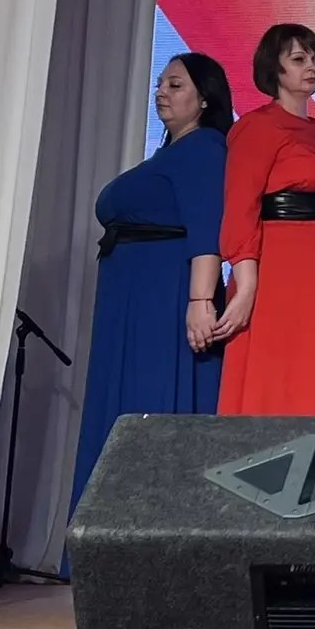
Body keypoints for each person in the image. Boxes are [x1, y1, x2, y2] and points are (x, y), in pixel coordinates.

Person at [69, 53, 234, 517]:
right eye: (160, 83)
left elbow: (207, 230)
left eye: (175, 85)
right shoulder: (173, 153)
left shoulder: (205, 148)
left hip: (162, 297)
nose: (161, 91)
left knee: (151, 403)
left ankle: (143, 527)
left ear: (204, 98)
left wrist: (200, 300)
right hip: (134, 298)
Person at [212, 24, 315, 415]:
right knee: (283, 362)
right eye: (299, 59)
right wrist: (246, 285)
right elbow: (241, 205)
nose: (312, 66)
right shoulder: (257, 126)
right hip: (283, 261)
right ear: (275, 68)